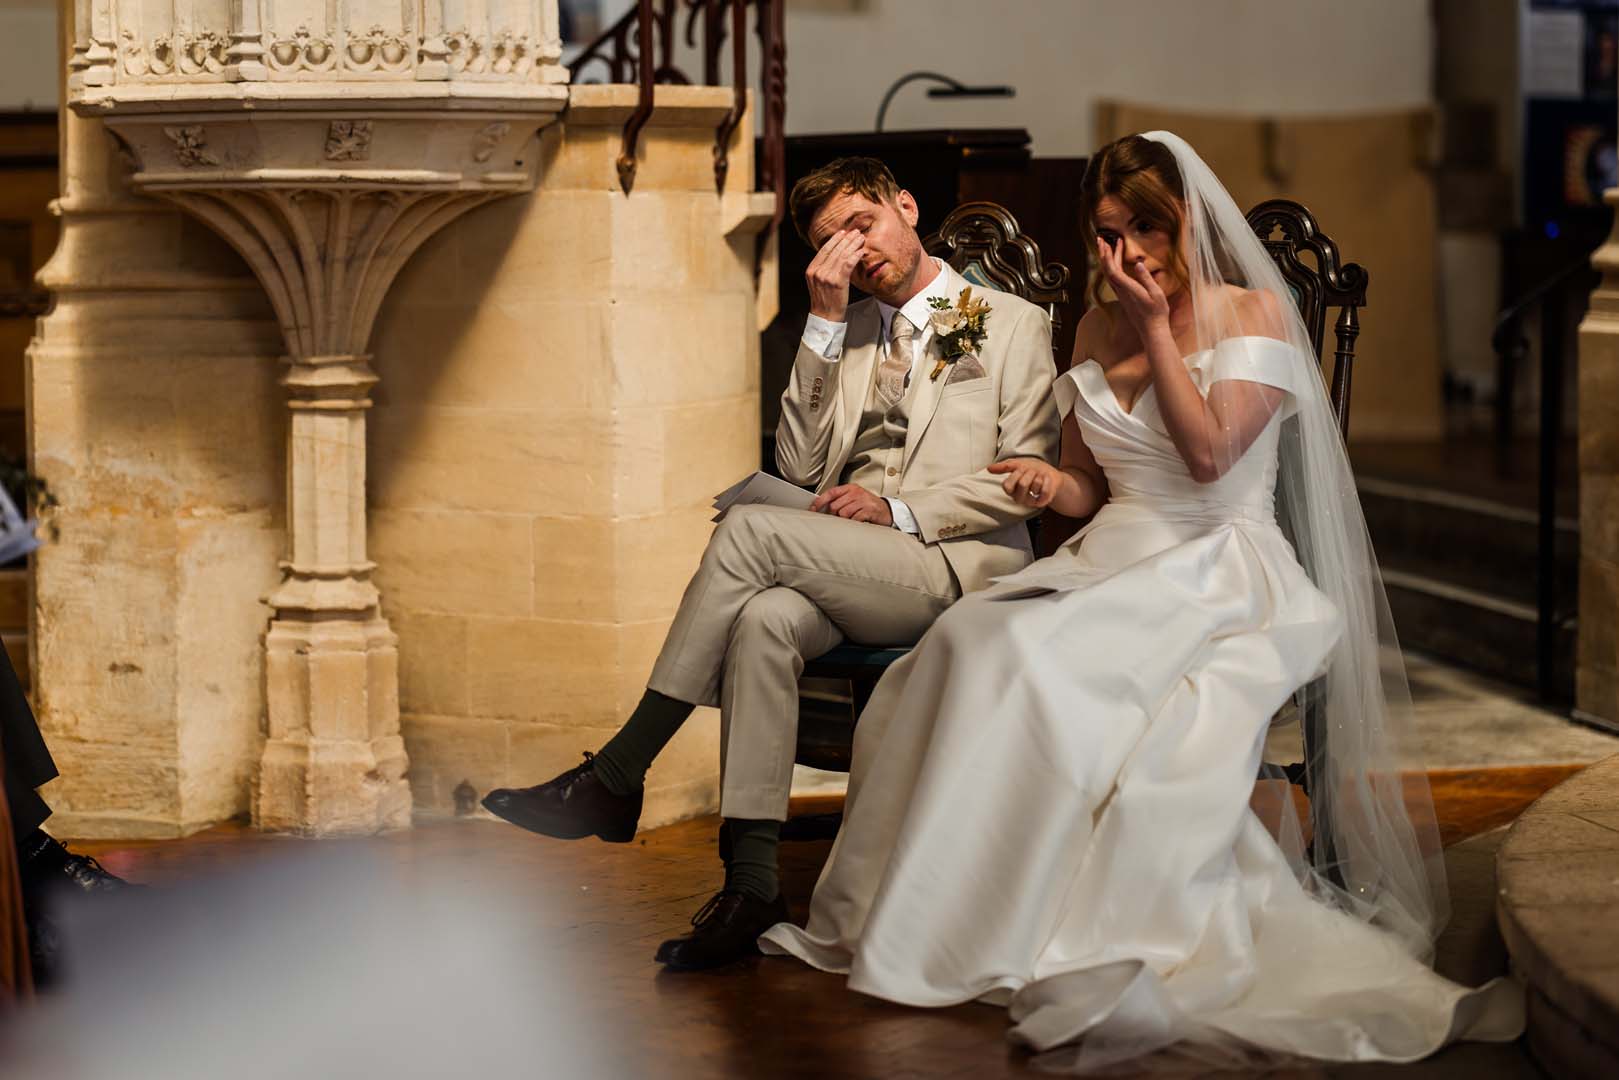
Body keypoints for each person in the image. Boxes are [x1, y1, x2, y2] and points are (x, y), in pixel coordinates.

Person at [760, 132, 1525, 1070]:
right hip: (1112, 547)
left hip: (1219, 557)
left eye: (1146, 229)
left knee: (1038, 666)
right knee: (963, 646)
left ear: (1187, 222)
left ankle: (1046, 921)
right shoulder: (1090, 324)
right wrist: (1045, 484)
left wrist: (1158, 327)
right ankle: (957, 908)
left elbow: (1208, 458)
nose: (1130, 252)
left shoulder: (1250, 315)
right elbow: (1089, 483)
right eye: (1111, 230)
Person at [482, 157, 1061, 970]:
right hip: (850, 564)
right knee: (761, 619)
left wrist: (897, 509)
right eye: (831, 243)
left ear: (905, 205)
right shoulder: (847, 328)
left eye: (863, 225)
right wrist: (823, 324)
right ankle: (751, 884)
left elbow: (1024, 480)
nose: (854, 251)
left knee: (750, 532)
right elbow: (796, 462)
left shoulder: (1005, 322)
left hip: (951, 566)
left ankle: (619, 769)